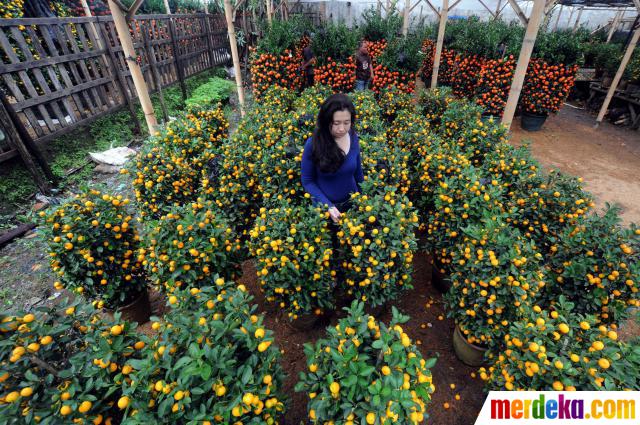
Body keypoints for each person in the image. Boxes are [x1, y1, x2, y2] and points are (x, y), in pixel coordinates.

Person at [301, 94, 364, 283]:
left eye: (347, 122)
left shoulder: (353, 138)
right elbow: (308, 180)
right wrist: (327, 206)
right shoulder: (314, 144)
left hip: (351, 206)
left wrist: (363, 199)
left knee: (350, 250)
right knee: (327, 252)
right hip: (325, 208)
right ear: (327, 120)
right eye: (336, 123)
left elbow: (358, 172)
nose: (342, 128)